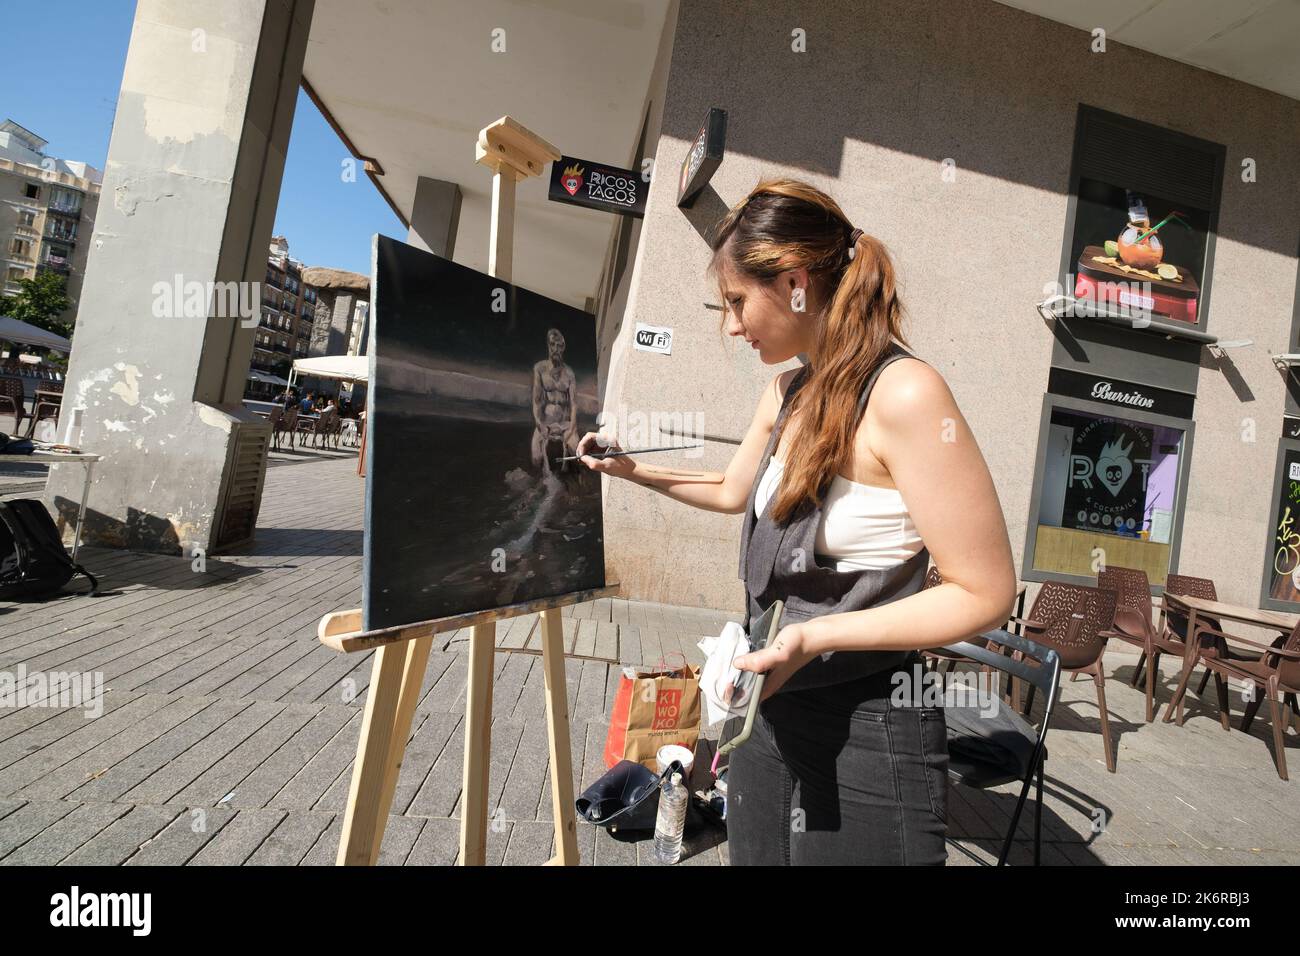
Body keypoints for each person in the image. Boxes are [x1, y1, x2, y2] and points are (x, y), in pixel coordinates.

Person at [577, 179, 1016, 865]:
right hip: (768, 713)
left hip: (870, 726)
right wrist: (634, 470)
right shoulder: (787, 389)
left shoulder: (907, 394)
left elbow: (984, 590)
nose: (730, 325)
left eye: (736, 302)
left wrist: (813, 637)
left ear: (794, 281)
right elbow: (731, 488)